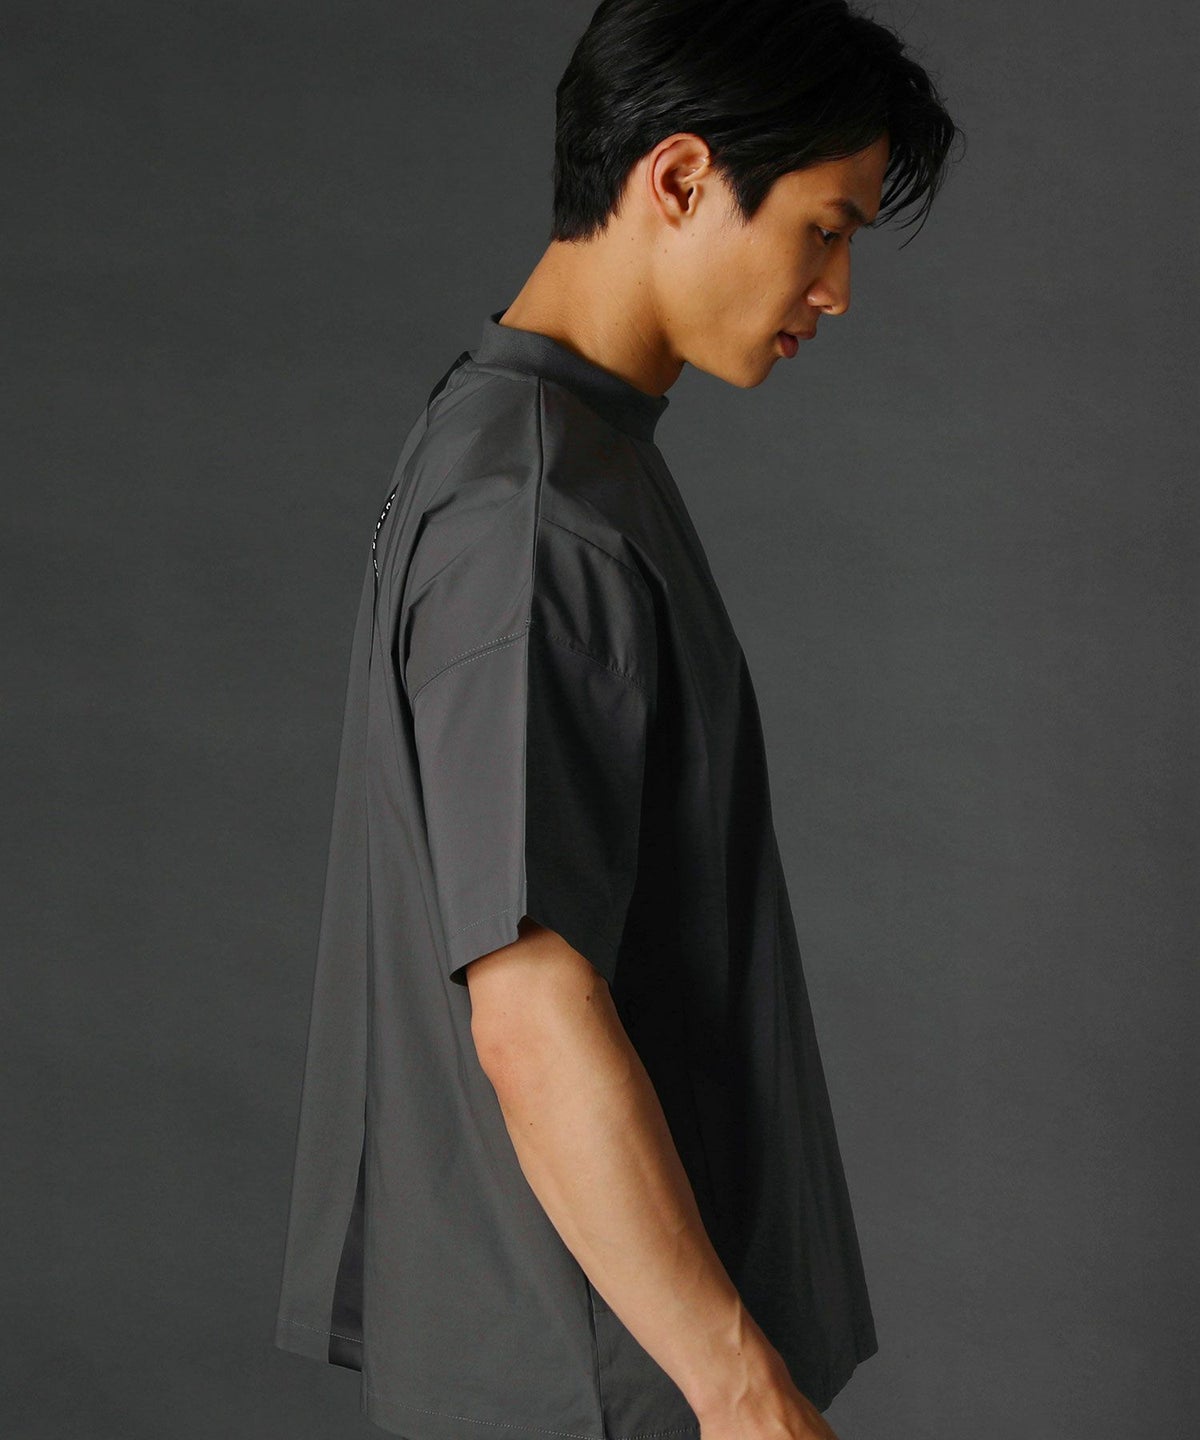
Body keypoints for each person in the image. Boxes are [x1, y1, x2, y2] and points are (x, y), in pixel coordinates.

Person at [273, 4, 961, 1439]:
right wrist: (739, 1387)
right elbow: (531, 1007)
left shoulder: (540, 449)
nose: (836, 291)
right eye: (824, 231)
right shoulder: (534, 515)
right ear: (682, 178)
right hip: (602, 1384)